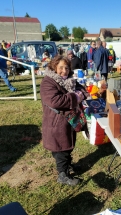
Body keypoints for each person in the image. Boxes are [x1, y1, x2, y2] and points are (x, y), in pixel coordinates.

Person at [40, 55, 89, 186]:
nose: (64, 71)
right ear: (54, 67)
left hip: (67, 121)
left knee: (66, 147)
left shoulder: (69, 80)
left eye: (66, 68)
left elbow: (82, 89)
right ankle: (63, 174)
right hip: (55, 123)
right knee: (60, 149)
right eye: (61, 67)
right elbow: (55, 101)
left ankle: (68, 165)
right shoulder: (48, 82)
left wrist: (80, 93)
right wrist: (76, 96)